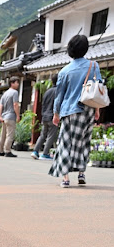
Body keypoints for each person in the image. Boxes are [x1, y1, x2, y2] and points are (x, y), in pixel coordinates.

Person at [49, 34, 101, 188]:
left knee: (65, 143)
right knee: (83, 142)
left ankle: (65, 179)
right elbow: (97, 88)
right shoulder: (94, 66)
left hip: (69, 111)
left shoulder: (65, 71)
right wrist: (97, 109)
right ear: (85, 49)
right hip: (88, 109)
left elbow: (60, 95)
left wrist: (56, 113)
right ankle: (81, 174)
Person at [31, 75, 59, 160]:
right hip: (53, 116)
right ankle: (45, 153)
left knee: (43, 135)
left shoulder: (47, 91)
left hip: (45, 116)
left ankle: (35, 151)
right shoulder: (58, 91)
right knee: (51, 135)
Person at [0, 77, 20, 158]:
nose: (18, 84)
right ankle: (7, 150)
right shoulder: (15, 93)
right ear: (12, 83)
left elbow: (0, 105)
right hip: (11, 116)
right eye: (17, 82)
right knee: (10, 135)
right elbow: (15, 104)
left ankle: (0, 150)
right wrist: (18, 115)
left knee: (3, 135)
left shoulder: (5, 93)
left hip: (4, 116)